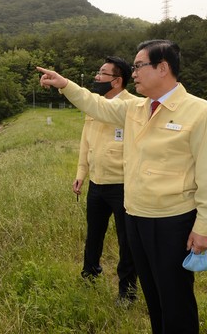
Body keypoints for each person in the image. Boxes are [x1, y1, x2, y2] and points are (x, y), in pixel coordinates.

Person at [37, 39, 207, 334]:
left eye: (139, 66)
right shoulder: (134, 108)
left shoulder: (200, 112)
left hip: (172, 219)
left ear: (163, 68)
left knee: (175, 298)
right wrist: (65, 84)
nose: (133, 72)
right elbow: (95, 104)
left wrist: (205, 225)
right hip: (135, 214)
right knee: (152, 294)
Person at [74, 56, 137, 303]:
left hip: (123, 185)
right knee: (94, 233)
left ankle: (127, 291)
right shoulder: (95, 105)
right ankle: (90, 273)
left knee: (127, 240)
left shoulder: (134, 106)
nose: (96, 78)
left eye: (102, 74)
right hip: (97, 184)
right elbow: (85, 142)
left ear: (117, 81)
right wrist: (81, 174)